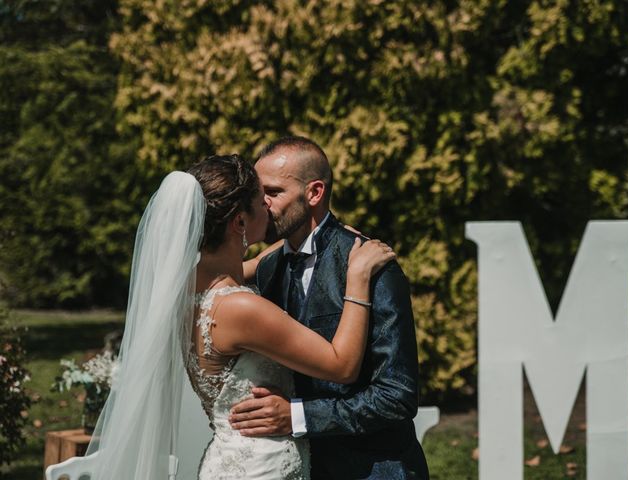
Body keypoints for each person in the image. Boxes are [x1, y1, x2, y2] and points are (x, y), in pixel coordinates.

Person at [85, 154, 395, 480]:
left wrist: (321, 233)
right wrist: (357, 278)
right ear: (240, 222)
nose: (269, 207)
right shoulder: (240, 309)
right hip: (262, 468)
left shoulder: (185, 289)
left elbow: (254, 262)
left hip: (227, 459)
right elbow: (341, 365)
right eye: (262, 202)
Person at [229, 137, 429, 479]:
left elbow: (397, 397)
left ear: (314, 193)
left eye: (273, 192)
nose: (261, 204)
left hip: (375, 470)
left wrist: (297, 416)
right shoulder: (267, 268)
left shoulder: (370, 265)